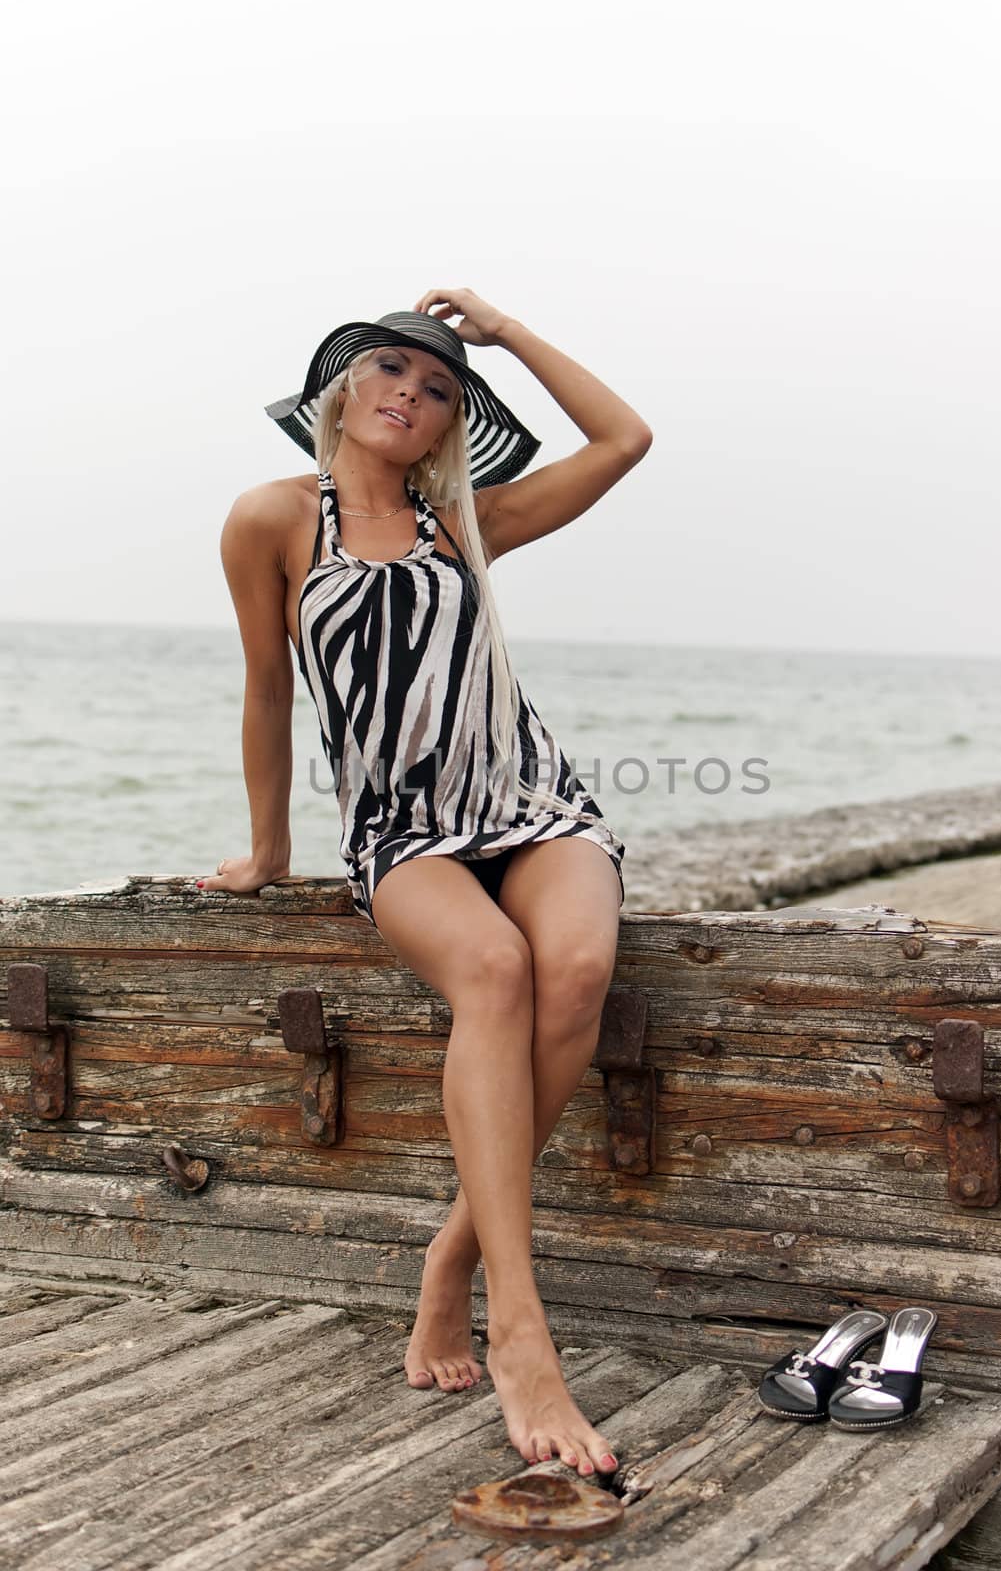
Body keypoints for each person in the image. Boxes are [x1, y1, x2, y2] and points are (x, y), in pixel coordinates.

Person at [198, 286, 653, 1479]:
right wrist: (269, 850)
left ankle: (451, 1257)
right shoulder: (275, 520)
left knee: (580, 970)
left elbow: (625, 441)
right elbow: (265, 687)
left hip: (533, 802)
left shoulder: (469, 524)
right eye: (393, 370)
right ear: (342, 390)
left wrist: (504, 334)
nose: (413, 390)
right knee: (494, 970)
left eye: (441, 384)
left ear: (454, 420)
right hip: (401, 831)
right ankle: (524, 1336)